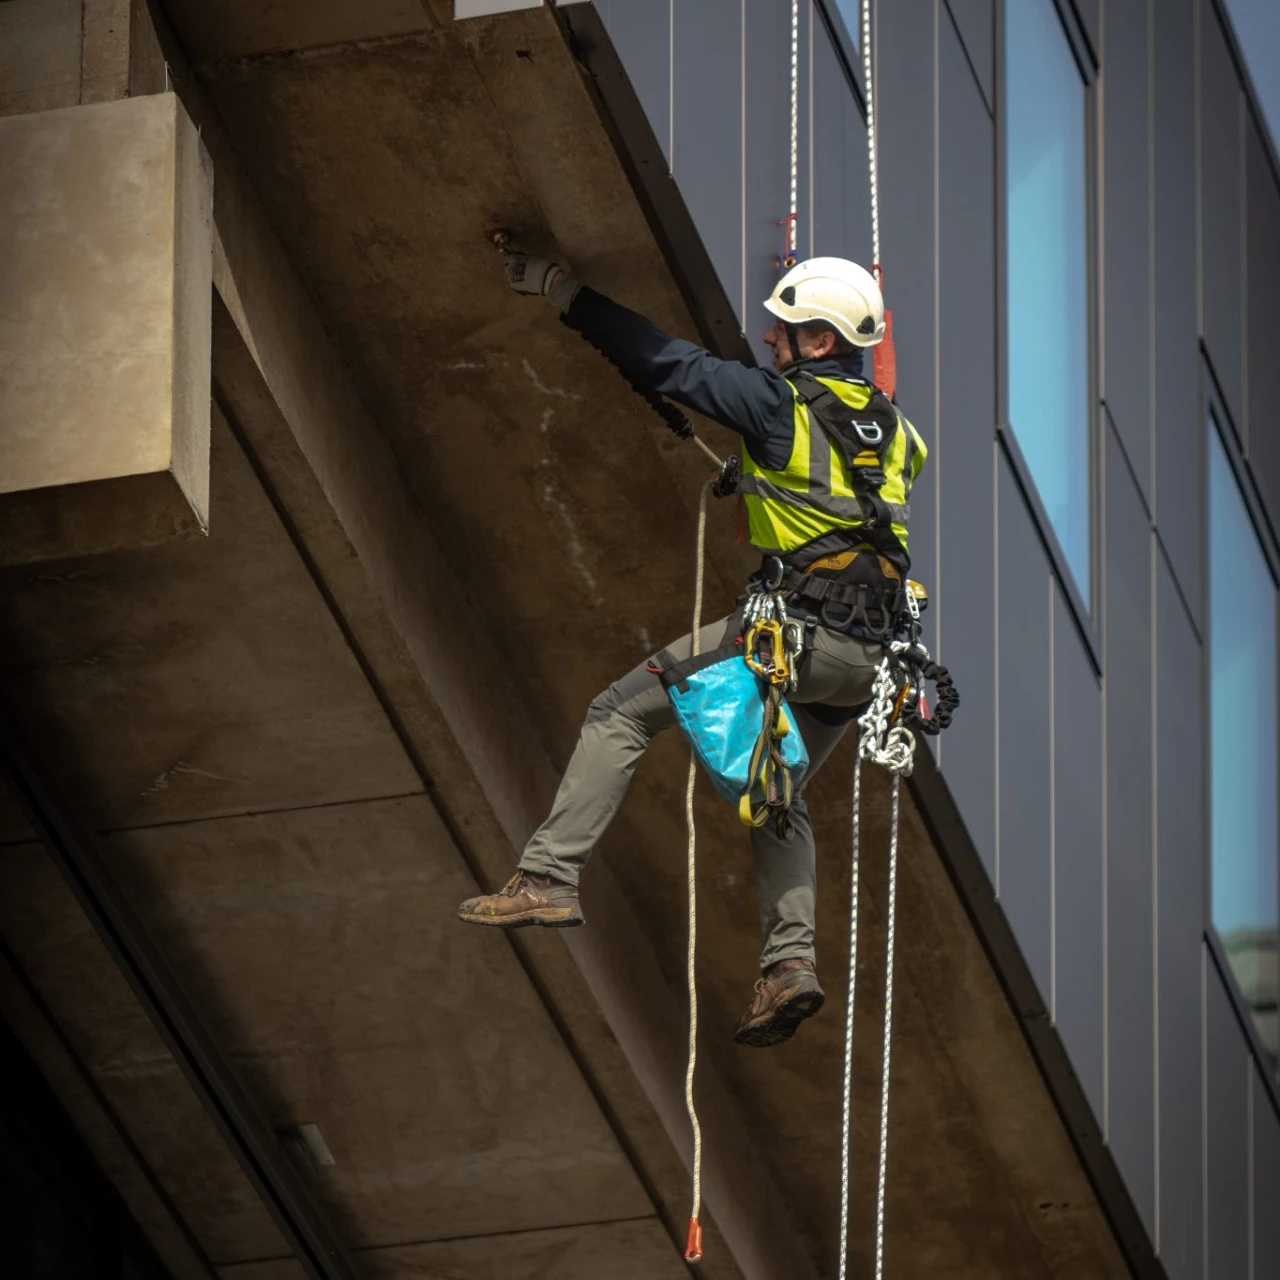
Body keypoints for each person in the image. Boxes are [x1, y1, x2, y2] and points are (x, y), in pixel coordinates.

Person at [457, 254, 927, 1048]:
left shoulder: (779, 407)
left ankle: (546, 878)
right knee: (774, 793)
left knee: (619, 713)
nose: (768, 339)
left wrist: (560, 289)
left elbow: (666, 361)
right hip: (868, 662)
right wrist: (757, 478)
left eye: (783, 330)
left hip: (798, 637)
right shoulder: (902, 436)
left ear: (819, 342)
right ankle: (788, 966)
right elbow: (841, 496)